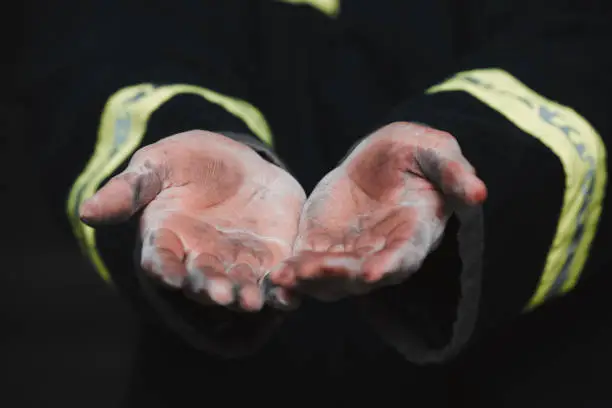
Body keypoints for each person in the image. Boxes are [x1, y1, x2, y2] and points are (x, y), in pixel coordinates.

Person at [22, 0, 611, 405]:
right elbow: (92, 45)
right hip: (221, 380)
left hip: (532, 374)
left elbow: (587, 46)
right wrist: (185, 130)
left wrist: (465, 146)